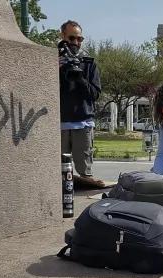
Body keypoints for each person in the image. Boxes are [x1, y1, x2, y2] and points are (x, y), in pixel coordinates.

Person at [58, 20, 107, 189]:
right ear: (62, 36)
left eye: (80, 39)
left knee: (85, 174)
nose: (76, 43)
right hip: (59, 124)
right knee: (59, 171)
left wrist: (80, 78)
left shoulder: (88, 63)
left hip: (83, 123)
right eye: (72, 38)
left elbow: (94, 94)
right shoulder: (53, 61)